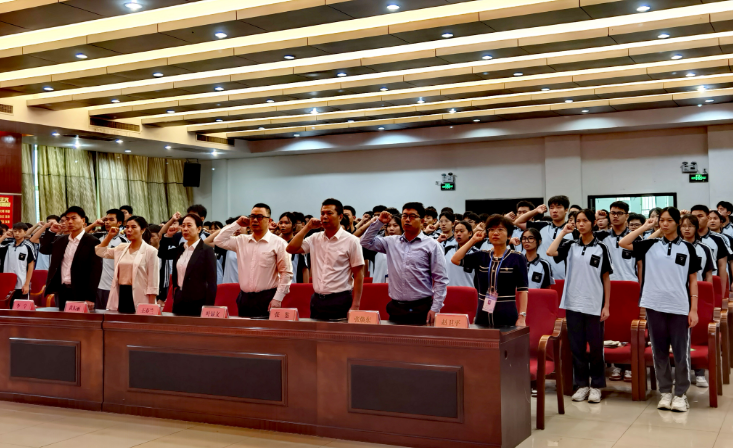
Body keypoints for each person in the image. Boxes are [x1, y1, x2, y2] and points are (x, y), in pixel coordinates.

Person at [620, 208, 699, 413]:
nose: (664, 224)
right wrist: (646, 227)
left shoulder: (688, 248)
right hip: (654, 305)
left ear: (678, 223)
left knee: (681, 353)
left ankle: (680, 394)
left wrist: (694, 309)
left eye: (669, 220)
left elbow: (693, 280)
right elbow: (624, 243)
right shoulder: (650, 244)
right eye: (661, 220)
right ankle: (665, 392)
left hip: (679, 306)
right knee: (659, 351)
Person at [547, 209, 612, 404]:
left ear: (593, 223)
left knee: (596, 347)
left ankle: (597, 385)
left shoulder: (601, 247)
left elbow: (606, 278)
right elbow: (550, 252)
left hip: (594, 304)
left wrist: (606, 305)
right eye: (578, 221)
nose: (581, 224)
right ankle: (582, 384)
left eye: (585, 221)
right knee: (577, 347)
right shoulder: (570, 245)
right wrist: (563, 232)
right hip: (573, 303)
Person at [362, 203, 448, 325]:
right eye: (404, 216)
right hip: (396, 306)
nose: (407, 219)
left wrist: (435, 308)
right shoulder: (391, 242)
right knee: (395, 337)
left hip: (421, 307)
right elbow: (365, 242)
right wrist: (379, 222)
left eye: (412, 216)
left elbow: (440, 279)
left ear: (422, 221)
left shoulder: (432, 245)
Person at [287, 199, 364, 320]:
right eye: (322, 213)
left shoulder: (351, 241)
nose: (325, 217)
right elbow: (290, 249)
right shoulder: (315, 238)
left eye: (329, 213)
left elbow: (359, 274)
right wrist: (307, 227)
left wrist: (355, 305)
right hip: (317, 300)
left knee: (339, 332)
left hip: (340, 299)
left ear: (340, 216)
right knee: (316, 332)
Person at [214, 204, 292, 318]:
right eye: (252, 216)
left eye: (259, 217)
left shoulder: (279, 243)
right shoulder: (241, 241)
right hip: (244, 298)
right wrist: (237, 224)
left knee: (266, 329)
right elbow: (218, 240)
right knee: (243, 329)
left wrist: (278, 298)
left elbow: (286, 273)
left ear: (269, 220)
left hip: (267, 297)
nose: (255, 220)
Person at [451, 214, 527, 327]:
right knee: (482, 337)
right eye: (491, 230)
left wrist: (522, 316)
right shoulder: (482, 256)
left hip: (507, 311)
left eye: (500, 229)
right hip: (483, 311)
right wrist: (473, 240)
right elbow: (455, 259)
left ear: (509, 235)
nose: (495, 233)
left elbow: (523, 290)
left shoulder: (517, 258)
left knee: (506, 337)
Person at [39, 206, 102, 310]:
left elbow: (95, 271)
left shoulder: (92, 241)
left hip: (81, 291)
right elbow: (44, 249)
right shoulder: (61, 240)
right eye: (67, 219)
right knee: (63, 318)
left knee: (80, 319)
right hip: (62, 289)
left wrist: (90, 297)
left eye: (73, 218)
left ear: (83, 220)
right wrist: (51, 231)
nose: (70, 222)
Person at [95, 216, 159, 313]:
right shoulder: (121, 248)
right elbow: (100, 251)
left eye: (133, 227)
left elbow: (153, 282)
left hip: (139, 294)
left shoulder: (150, 251)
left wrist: (151, 305)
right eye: (127, 227)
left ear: (142, 230)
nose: (129, 230)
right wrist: (109, 236)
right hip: (121, 292)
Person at [679, 213, 714, 388]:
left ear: (696, 228)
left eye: (690, 226)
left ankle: (699, 373)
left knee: (697, 333)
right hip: (678, 294)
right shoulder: (675, 246)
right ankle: (680, 372)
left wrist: (708, 298)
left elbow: (708, 275)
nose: (686, 229)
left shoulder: (704, 248)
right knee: (679, 335)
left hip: (697, 295)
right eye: (683, 226)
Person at [157, 213, 217, 316]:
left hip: (198, 301)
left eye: (189, 225)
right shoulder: (181, 248)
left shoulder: (206, 250)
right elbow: (162, 254)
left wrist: (208, 308)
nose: (185, 229)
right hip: (179, 298)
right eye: (183, 225)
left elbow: (211, 283)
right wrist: (168, 236)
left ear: (198, 229)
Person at [514, 195, 573, 279]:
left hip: (564, 277)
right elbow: (518, 222)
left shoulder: (573, 231)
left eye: (558, 207)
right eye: (551, 208)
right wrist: (536, 211)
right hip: (541, 276)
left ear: (566, 209)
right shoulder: (542, 225)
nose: (554, 211)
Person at [88, 209, 128, 310]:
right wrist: (94, 224)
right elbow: (79, 235)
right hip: (97, 286)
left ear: (119, 222)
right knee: (96, 315)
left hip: (114, 286)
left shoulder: (124, 241)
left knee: (112, 315)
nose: (107, 222)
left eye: (111, 220)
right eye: (106, 220)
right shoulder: (98, 237)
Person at [689, 205, 729, 298]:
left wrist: (722, 294)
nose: (697, 219)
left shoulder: (718, 239)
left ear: (707, 217)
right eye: (694, 217)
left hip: (710, 283)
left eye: (700, 216)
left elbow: (722, 267)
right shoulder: (684, 239)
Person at [0, 223, 35, 308]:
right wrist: (4, 236)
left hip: (21, 283)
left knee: (20, 309)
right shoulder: (8, 245)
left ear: (25, 232)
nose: (17, 233)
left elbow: (31, 265)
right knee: (7, 308)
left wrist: (26, 284)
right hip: (7, 283)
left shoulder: (28, 246)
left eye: (19, 231)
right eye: (15, 231)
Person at [369, 213, 403, 283]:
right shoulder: (379, 243)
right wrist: (376, 224)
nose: (391, 229)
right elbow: (364, 242)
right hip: (380, 285)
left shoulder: (408, 245)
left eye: (395, 225)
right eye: (389, 226)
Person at [443, 221, 478, 288]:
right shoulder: (447, 250)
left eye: (461, 231)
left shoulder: (476, 253)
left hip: (468, 291)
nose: (458, 234)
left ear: (470, 233)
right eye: (456, 231)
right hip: (449, 290)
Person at [278, 212, 309, 283]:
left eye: (287, 223)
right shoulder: (276, 243)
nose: (283, 225)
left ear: (294, 225)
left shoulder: (298, 244)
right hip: (277, 286)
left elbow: (304, 268)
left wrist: (305, 288)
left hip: (293, 284)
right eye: (281, 223)